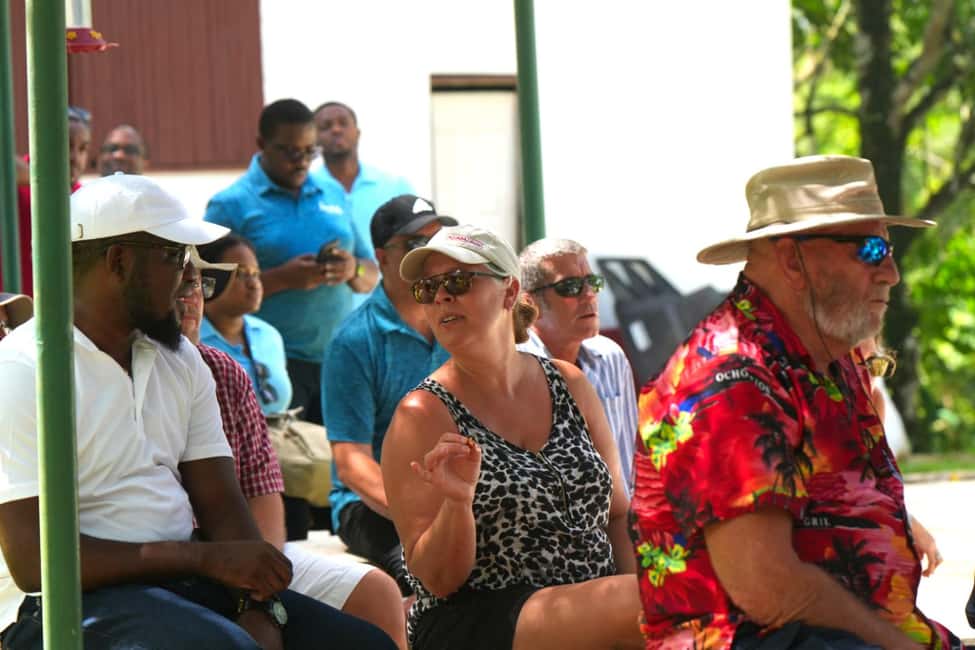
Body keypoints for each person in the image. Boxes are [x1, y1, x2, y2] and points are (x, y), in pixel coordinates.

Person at [0, 174, 395, 650]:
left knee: (364, 643)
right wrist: (203, 560)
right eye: (174, 256)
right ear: (119, 262)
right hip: (66, 602)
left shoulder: (180, 358)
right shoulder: (24, 367)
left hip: (180, 583)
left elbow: (222, 502)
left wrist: (257, 605)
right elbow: (35, 562)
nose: (189, 276)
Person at [631, 155, 963, 649]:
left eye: (889, 250)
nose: (891, 273)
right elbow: (770, 591)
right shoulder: (729, 375)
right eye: (871, 250)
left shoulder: (829, 358)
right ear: (792, 260)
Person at [382, 224, 642, 650]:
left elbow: (617, 514)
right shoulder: (422, 415)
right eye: (428, 289)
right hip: (478, 618)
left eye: (458, 281)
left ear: (510, 292)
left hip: (599, 607)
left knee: (672, 600)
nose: (442, 296)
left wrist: (644, 615)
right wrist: (457, 503)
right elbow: (438, 580)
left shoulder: (569, 383)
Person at [176, 255, 407, 649]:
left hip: (247, 552)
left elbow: (263, 499)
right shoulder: (359, 336)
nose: (189, 299)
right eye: (177, 283)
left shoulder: (225, 370)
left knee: (377, 593)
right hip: (176, 561)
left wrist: (257, 593)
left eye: (197, 284)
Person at [205, 98, 379, 539]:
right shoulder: (231, 204)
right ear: (261, 144)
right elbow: (206, 287)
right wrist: (281, 279)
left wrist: (350, 270)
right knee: (291, 496)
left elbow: (370, 273)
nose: (301, 161)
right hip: (274, 365)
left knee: (341, 481)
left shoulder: (331, 193)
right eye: (289, 151)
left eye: (309, 151)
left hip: (338, 359)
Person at [322, 195, 455, 595]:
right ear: (381, 258)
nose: (431, 253)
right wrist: (422, 511)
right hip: (371, 507)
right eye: (416, 244)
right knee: (424, 576)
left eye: (439, 239)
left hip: (454, 494)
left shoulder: (460, 321)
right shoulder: (353, 341)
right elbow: (351, 463)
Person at [518, 238, 639, 497]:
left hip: (617, 516)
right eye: (570, 287)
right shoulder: (516, 370)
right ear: (530, 302)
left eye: (593, 282)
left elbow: (628, 461)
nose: (589, 294)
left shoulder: (611, 357)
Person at [853, 338, 943, 578]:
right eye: (849, 365)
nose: (864, 380)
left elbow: (874, 480)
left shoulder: (874, 401)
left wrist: (906, 519)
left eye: (874, 365)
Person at [310, 100, 413, 307]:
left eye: (343, 123)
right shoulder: (308, 192)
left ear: (357, 133)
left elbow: (418, 247)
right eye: (326, 126)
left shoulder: (395, 187)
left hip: (389, 311)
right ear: (313, 139)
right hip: (331, 316)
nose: (336, 129)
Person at [198, 234, 293, 416]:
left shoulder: (268, 334)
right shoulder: (192, 340)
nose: (254, 284)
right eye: (241, 274)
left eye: (256, 273)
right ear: (210, 278)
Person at [1, 106, 90, 294]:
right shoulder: (16, 180)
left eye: (82, 149)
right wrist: (43, 179)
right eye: (66, 144)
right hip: (9, 304)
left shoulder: (83, 197)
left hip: (54, 308)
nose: (74, 157)